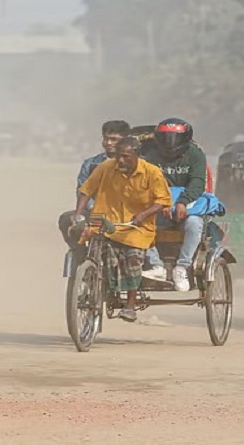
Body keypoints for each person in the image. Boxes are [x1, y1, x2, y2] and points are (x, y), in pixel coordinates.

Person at [73, 136, 172, 322]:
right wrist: (78, 213)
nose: (120, 161)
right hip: (106, 221)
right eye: (118, 156)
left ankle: (131, 304)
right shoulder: (106, 167)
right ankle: (90, 283)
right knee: (92, 247)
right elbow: (86, 190)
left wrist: (143, 215)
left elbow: (163, 201)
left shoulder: (152, 172)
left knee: (133, 257)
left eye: (126, 157)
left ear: (136, 155)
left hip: (136, 226)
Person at [140, 118, 207, 291]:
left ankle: (182, 267)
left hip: (187, 207)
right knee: (137, 224)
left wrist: (183, 202)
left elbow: (197, 183)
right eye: (165, 139)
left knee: (194, 224)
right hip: (158, 207)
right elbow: (147, 183)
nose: (170, 144)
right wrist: (161, 204)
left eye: (175, 139)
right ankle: (156, 265)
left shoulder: (195, 155)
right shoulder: (150, 156)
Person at [58, 120, 131, 250]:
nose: (109, 143)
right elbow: (83, 190)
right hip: (95, 213)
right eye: (106, 139)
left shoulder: (138, 164)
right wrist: (94, 208)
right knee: (66, 220)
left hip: (127, 214)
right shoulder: (91, 164)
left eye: (114, 139)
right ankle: (81, 254)